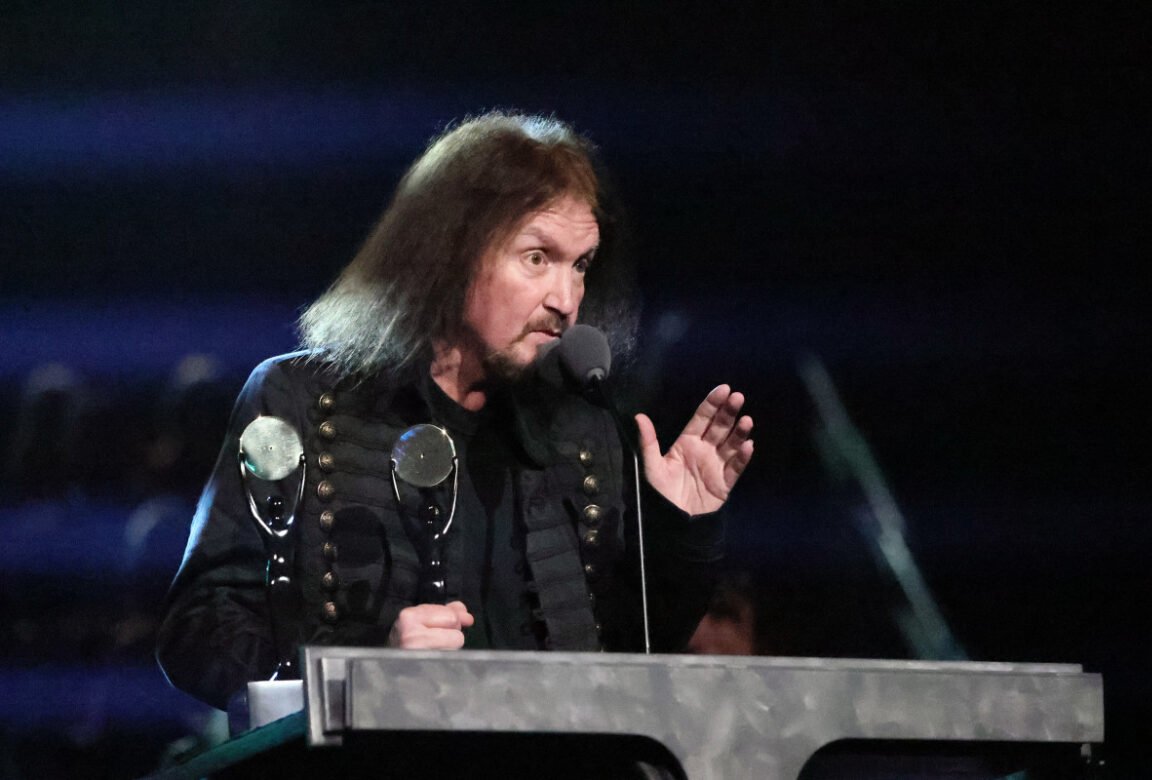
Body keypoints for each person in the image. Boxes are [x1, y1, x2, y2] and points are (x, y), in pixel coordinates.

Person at [157, 112, 754, 710]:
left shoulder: (583, 432)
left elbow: (628, 657)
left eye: (580, 265)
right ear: (452, 251)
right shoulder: (301, 401)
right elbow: (199, 631)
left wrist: (683, 533)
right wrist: (363, 673)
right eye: (537, 258)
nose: (566, 300)